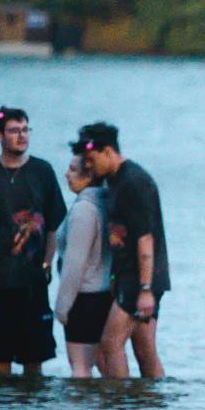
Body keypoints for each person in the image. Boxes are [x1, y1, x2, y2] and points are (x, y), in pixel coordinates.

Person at [0, 106, 67, 377]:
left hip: (32, 281)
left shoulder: (42, 171)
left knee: (35, 358)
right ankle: (1, 402)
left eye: (25, 130)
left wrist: (47, 264)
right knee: (0, 357)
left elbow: (55, 224)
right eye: (14, 131)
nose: (22, 136)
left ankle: (31, 404)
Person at [74, 122, 169, 379]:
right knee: (145, 350)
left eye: (92, 159)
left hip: (139, 278)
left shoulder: (133, 182)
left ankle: (119, 398)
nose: (89, 166)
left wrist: (146, 289)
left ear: (107, 151)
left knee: (110, 344)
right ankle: (150, 400)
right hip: (131, 276)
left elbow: (145, 239)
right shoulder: (113, 181)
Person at [53, 153, 112, 378]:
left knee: (80, 368)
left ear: (88, 176)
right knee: (104, 364)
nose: (66, 174)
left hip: (85, 298)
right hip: (106, 295)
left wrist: (62, 306)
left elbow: (75, 263)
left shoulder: (84, 209)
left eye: (72, 170)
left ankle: (82, 404)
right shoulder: (108, 203)